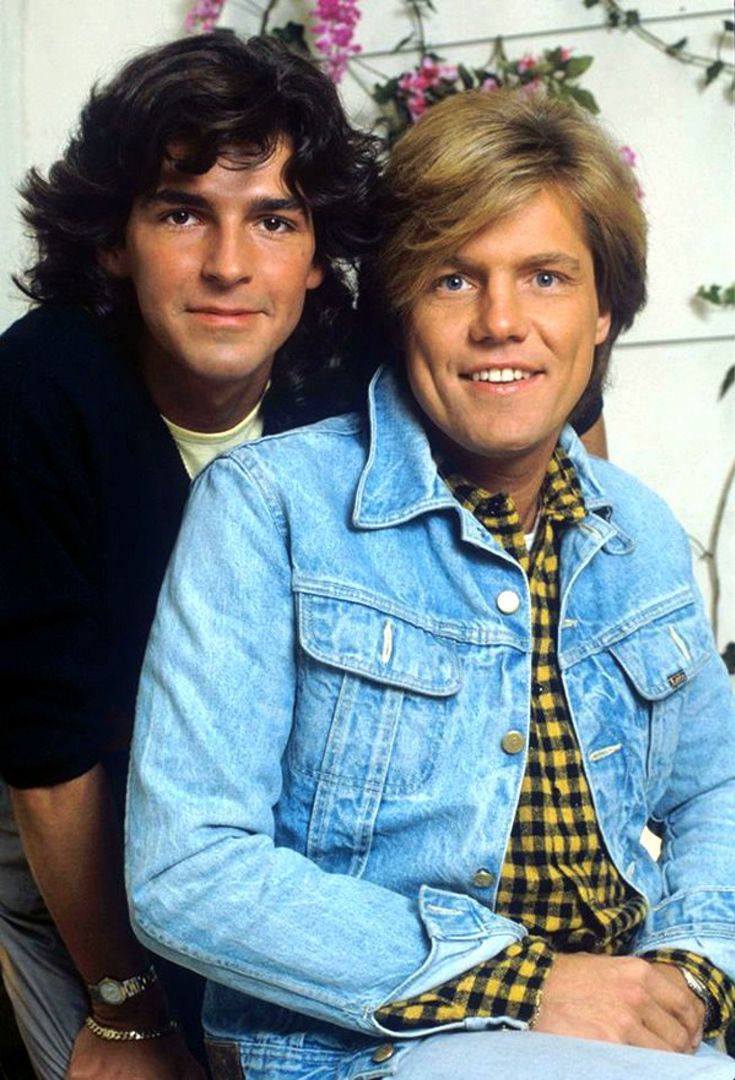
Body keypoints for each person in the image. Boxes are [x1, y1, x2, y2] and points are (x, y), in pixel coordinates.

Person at [126, 89, 735, 1079]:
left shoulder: (640, 533)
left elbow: (718, 787)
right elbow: (188, 872)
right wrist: (527, 984)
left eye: (546, 277)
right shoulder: (269, 510)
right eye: (455, 281)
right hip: (360, 1049)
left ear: (604, 311)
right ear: (400, 307)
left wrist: (690, 971)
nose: (503, 323)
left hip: (614, 1025)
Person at [0, 30, 378, 1080]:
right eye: (181, 213)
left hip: (283, 852)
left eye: (272, 220)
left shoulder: (348, 384)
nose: (228, 264)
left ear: (316, 252)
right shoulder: (41, 388)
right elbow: (44, 749)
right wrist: (121, 1006)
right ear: (113, 240)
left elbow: (555, 392)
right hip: (75, 851)